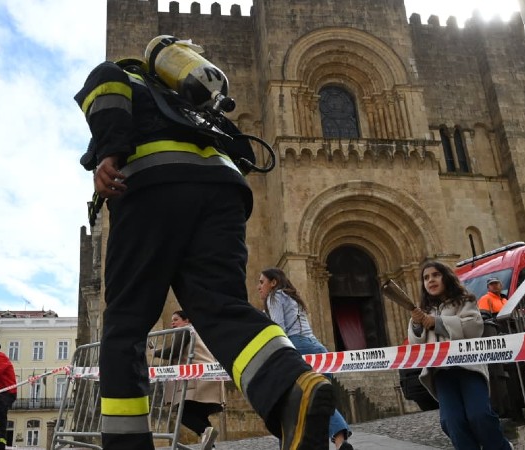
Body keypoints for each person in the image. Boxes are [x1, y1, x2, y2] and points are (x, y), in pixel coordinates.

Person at [75, 34, 334, 450]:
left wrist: (108, 153)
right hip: (223, 193)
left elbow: (105, 95)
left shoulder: (122, 73)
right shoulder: (191, 104)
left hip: (152, 188)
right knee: (221, 307)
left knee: (125, 325)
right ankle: (291, 387)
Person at [408, 261, 510, 450]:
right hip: (441, 373)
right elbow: (416, 344)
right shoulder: (423, 311)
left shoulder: (465, 301)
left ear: (446, 277)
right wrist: (416, 324)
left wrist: (438, 323)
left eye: (435, 275)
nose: (430, 280)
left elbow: (473, 327)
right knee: (451, 422)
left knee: (479, 416)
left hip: (469, 369)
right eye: (426, 278)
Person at [257, 268, 354, 450]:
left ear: (273, 282)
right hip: (319, 350)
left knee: (287, 401)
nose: (258, 287)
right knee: (321, 400)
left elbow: (279, 330)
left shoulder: (275, 296)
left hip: (297, 348)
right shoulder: (292, 297)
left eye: (262, 282)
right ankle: (341, 442)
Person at [152, 310, 222, 449]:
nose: (173, 322)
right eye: (172, 320)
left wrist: (155, 352)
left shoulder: (185, 331)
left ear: (187, 320)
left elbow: (173, 352)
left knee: (182, 413)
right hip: (209, 378)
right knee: (198, 415)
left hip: (197, 380)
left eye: (176, 319)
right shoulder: (196, 332)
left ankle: (204, 431)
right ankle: (210, 445)